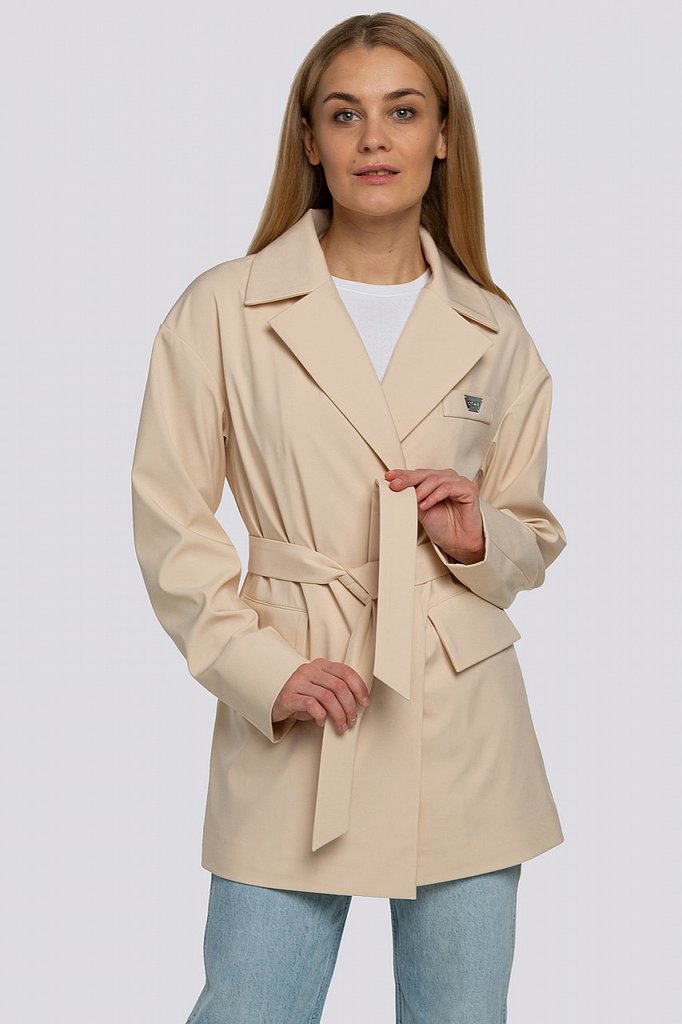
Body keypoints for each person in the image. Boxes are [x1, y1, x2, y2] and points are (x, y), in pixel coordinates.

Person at [131, 12, 567, 1023]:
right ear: (309, 139)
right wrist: (258, 666)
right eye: (345, 113)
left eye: (402, 112)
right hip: (301, 696)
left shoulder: (494, 327)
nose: (374, 138)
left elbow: (530, 533)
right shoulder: (224, 309)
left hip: (459, 716)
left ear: (443, 136)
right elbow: (169, 516)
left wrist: (476, 537)